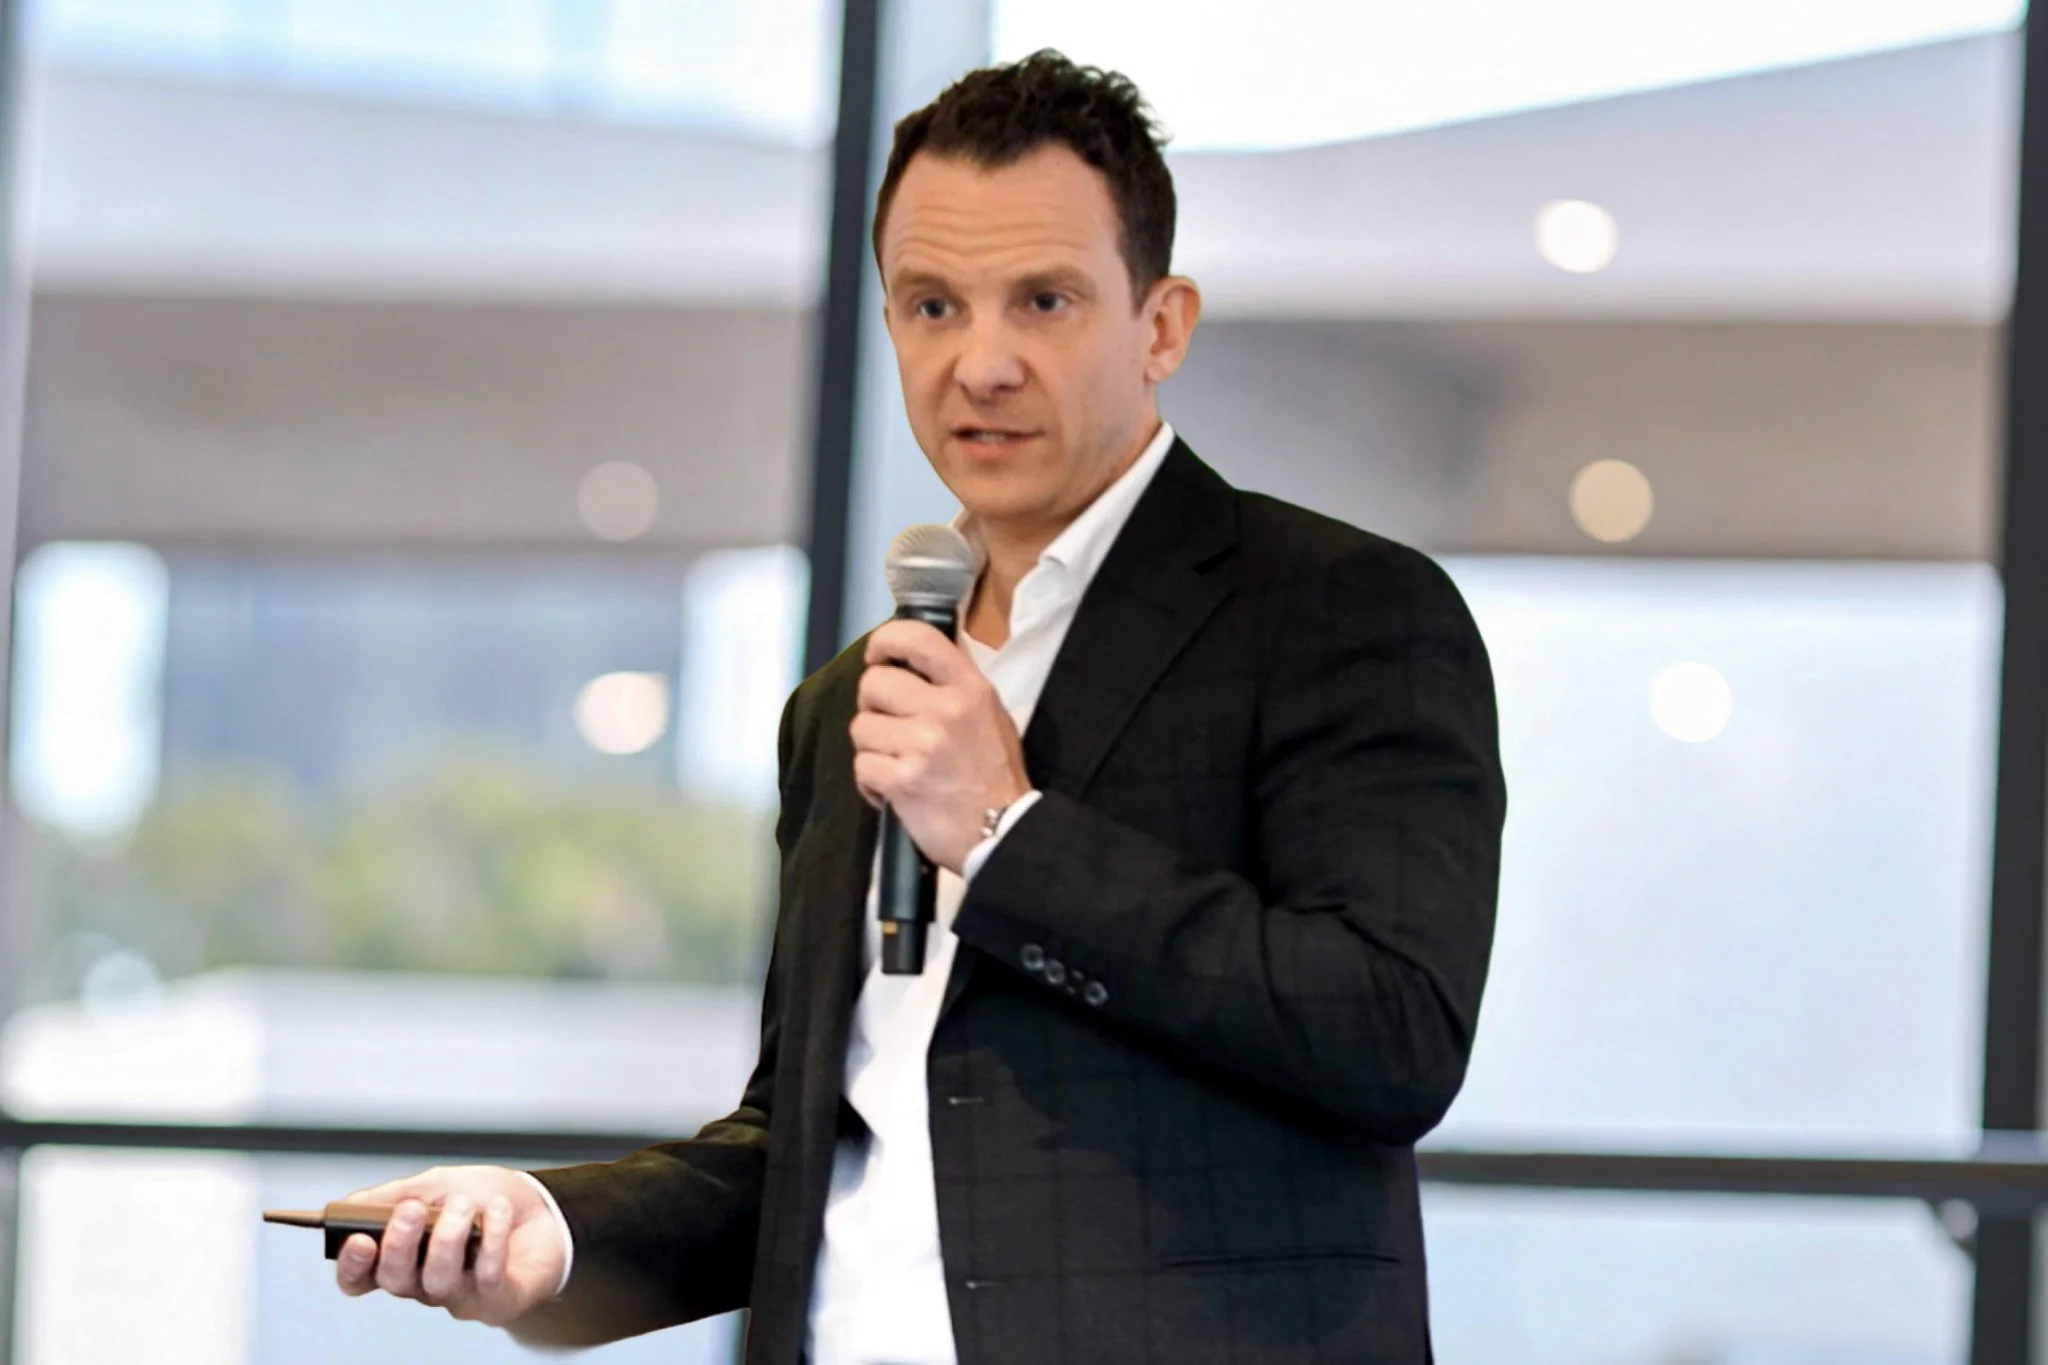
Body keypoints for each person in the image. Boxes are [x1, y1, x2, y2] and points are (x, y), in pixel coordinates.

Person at [333, 50, 1505, 1365]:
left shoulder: (1339, 611)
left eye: (1045, 301)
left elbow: (1393, 1035)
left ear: (1161, 324)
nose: (981, 363)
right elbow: (813, 1136)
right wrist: (558, 1230)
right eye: (932, 305)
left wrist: (1010, 837)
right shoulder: (854, 698)